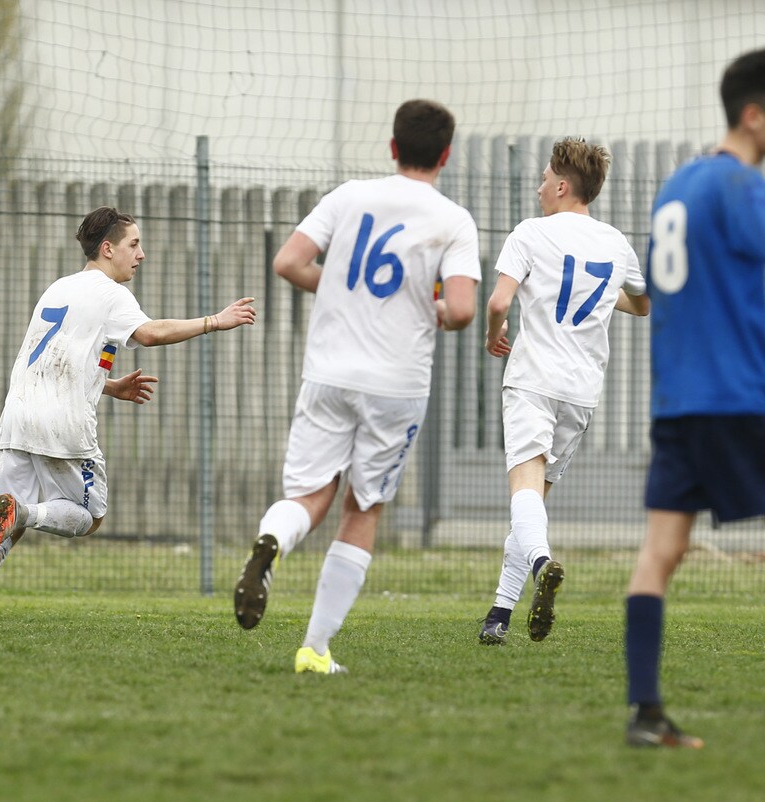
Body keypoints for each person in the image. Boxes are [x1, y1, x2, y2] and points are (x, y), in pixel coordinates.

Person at [232, 99, 481, 675]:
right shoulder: (453, 220)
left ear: (393, 147)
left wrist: (343, 289)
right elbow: (464, 309)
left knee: (309, 495)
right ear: (445, 155)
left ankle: (273, 540)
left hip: (329, 372)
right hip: (397, 382)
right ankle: (315, 649)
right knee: (363, 507)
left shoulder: (348, 196)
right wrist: (429, 310)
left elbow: (289, 262)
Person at [0, 206, 255, 629]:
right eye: (134, 244)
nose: (141, 255)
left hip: (18, 414)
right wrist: (214, 321)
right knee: (89, 518)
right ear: (108, 249)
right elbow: (149, 333)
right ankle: (23, 514)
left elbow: (51, 360)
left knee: (5, 522)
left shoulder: (58, 288)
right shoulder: (111, 294)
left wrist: (108, 385)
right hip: (63, 423)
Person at [623, 48, 765, 750]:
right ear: (754, 116)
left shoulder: (676, 185)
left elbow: (663, 291)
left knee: (661, 551)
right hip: (741, 396)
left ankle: (646, 713)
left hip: (678, 400)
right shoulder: (742, 188)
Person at [476, 139, 649, 646]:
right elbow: (644, 304)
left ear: (561, 186)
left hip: (533, 380)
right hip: (581, 391)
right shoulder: (615, 243)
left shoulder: (530, 233)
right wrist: (600, 298)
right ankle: (498, 615)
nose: (538, 187)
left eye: (544, 178)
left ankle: (542, 564)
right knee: (531, 504)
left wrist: (493, 333)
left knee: (524, 495)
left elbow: (498, 302)